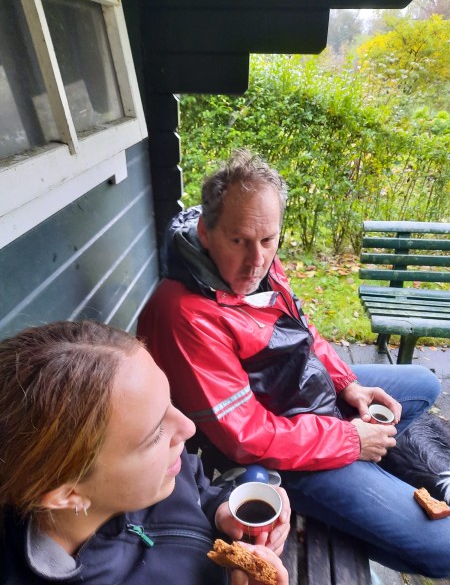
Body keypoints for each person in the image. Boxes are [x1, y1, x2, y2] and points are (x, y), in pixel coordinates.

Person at [138, 148, 450, 578]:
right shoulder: (184, 315)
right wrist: (349, 439)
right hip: (273, 454)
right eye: (238, 241)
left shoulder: (259, 266)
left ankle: (371, 491)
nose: (256, 260)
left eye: (268, 241)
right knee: (444, 547)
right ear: (206, 233)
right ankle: (346, 512)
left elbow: (303, 331)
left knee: (422, 384)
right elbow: (246, 438)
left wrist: (347, 384)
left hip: (299, 394)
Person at [0, 320, 290, 585]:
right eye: (155, 434)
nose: (188, 428)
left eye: (169, 403)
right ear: (69, 494)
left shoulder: (162, 467)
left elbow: (195, 485)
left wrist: (220, 510)